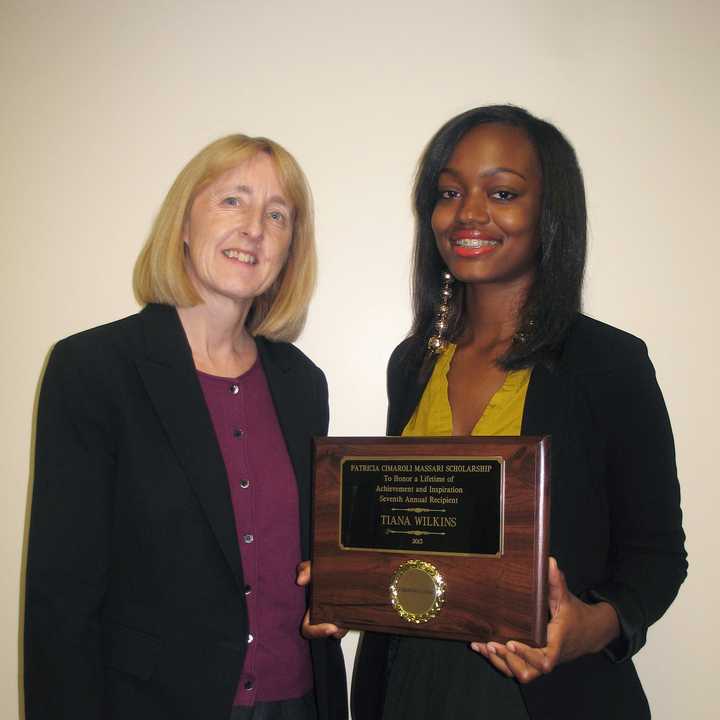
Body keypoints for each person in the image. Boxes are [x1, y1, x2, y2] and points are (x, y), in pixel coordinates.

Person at [351, 105, 687, 720]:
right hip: (407, 683)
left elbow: (658, 557)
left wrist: (590, 626)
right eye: (450, 192)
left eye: (501, 192)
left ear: (549, 213)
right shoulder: (413, 364)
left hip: (545, 695)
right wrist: (345, 578)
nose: (468, 213)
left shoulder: (608, 362)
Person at [24, 134, 347, 720]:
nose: (255, 227)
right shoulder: (93, 370)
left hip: (298, 700)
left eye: (277, 215)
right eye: (233, 201)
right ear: (183, 223)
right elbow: (60, 602)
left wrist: (340, 581)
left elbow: (309, 554)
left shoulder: (304, 383)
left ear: (289, 249)